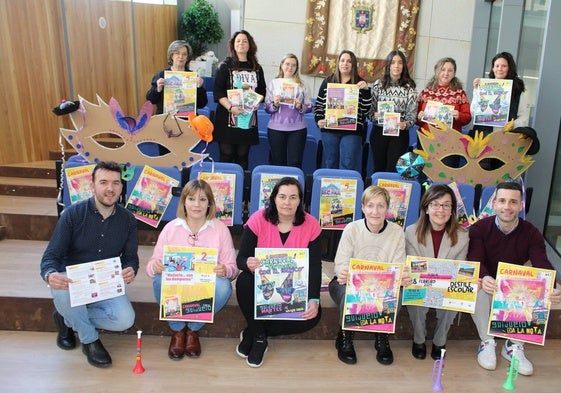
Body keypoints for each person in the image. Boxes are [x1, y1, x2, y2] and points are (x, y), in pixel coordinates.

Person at [40, 161, 138, 368]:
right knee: (60, 290)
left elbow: (131, 257)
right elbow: (51, 257)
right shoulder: (72, 215)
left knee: (125, 320)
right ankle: (89, 340)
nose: (110, 189)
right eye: (103, 182)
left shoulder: (128, 220)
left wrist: (131, 269)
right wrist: (50, 274)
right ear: (92, 186)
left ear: (121, 187)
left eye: (115, 183)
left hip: (106, 282)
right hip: (74, 281)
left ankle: (66, 318)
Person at [467, 181, 561, 376]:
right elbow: (475, 259)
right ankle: (487, 342)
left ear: (521, 205)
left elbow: (542, 263)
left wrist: (552, 286)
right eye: (502, 201)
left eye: (513, 202)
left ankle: (513, 345)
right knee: (475, 286)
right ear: (494, 203)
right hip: (489, 285)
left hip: (514, 290)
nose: (507, 207)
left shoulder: (531, 232)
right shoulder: (479, 228)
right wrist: (484, 277)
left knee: (539, 287)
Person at [146, 179, 238, 360]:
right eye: (191, 199)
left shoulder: (220, 229)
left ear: (210, 203)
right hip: (179, 285)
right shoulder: (171, 228)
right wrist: (155, 267)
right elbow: (151, 267)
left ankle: (193, 329)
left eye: (203, 199)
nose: (196, 204)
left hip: (205, 285)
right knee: (159, 280)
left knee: (224, 287)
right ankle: (178, 330)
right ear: (184, 202)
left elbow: (233, 269)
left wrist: (225, 270)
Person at [235, 177, 322, 367]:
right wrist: (248, 263)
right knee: (243, 281)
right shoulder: (258, 218)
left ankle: (253, 330)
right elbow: (240, 260)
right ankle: (259, 338)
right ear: (274, 198)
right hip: (263, 284)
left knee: (313, 315)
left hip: (293, 286)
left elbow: (315, 266)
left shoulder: (312, 224)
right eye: (282, 196)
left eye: (293, 197)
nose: (287, 202)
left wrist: (314, 299)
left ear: (300, 200)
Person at [329, 185, 409, 366]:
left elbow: (398, 265)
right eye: (370, 205)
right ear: (363, 208)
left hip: (382, 287)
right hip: (349, 283)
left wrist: (400, 276)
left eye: (381, 206)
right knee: (347, 293)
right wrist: (345, 274)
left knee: (399, 294)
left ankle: (382, 335)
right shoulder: (352, 229)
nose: (375, 211)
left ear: (387, 209)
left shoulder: (396, 232)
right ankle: (345, 335)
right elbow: (340, 264)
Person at [405, 184, 469, 360]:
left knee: (456, 295)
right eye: (435, 204)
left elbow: (461, 266)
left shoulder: (462, 235)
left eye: (446, 205)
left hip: (447, 284)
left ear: (452, 210)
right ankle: (418, 339)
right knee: (414, 296)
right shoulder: (411, 232)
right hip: (421, 282)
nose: (441, 210)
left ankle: (440, 341)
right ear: (426, 208)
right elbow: (413, 268)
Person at [212, 30, 267, 170]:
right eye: (238, 41)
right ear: (233, 45)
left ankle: (240, 189)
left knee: (243, 156)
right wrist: (231, 108)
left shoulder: (257, 68)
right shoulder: (224, 66)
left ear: (250, 45)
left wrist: (256, 104)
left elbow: (262, 91)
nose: (241, 44)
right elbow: (218, 92)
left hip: (246, 118)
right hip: (226, 118)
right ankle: (225, 189)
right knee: (226, 154)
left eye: (244, 41)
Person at [314, 50, 372, 173]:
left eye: (349, 61)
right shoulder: (328, 81)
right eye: (342, 60)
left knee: (348, 164)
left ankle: (346, 192)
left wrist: (366, 91)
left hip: (352, 131)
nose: (345, 64)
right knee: (330, 163)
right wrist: (319, 119)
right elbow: (319, 104)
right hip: (329, 129)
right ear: (338, 63)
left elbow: (366, 110)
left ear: (353, 64)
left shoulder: (360, 83)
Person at [417, 58, 471, 168]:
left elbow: (467, 117)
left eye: (450, 70)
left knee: (446, 173)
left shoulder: (459, 93)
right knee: (425, 171)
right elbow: (415, 117)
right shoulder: (426, 92)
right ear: (437, 71)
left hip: (450, 141)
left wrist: (458, 115)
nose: (446, 73)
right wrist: (419, 116)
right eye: (443, 69)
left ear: (454, 73)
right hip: (427, 140)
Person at [370, 50, 417, 173]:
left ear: (404, 66)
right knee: (378, 168)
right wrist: (374, 115)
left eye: (400, 63)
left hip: (399, 135)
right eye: (393, 62)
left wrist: (406, 124)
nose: (396, 66)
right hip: (379, 132)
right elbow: (370, 111)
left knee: (393, 169)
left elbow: (412, 115)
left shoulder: (409, 87)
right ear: (388, 65)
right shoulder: (377, 85)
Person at [264, 53, 313, 168]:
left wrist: (300, 106)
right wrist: (275, 104)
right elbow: (267, 108)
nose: (290, 67)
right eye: (287, 64)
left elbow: (310, 107)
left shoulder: (303, 85)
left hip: (298, 129)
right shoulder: (273, 83)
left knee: (295, 163)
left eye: (293, 65)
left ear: (297, 68)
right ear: (281, 65)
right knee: (277, 162)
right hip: (275, 128)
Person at [470, 51, 529, 136]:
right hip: (482, 136)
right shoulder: (483, 87)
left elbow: (524, 117)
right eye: (497, 66)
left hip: (506, 138)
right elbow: (473, 112)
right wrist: (476, 90)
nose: (499, 69)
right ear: (493, 68)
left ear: (509, 68)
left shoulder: (517, 91)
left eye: (504, 66)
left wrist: (513, 124)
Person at [146, 40, 208, 115]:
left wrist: (200, 88)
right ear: (172, 56)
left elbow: (202, 104)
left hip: (188, 119)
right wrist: (157, 89)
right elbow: (150, 100)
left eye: (184, 54)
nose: (181, 57)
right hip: (166, 119)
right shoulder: (162, 75)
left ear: (187, 58)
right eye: (177, 53)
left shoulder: (193, 77)